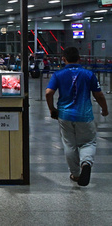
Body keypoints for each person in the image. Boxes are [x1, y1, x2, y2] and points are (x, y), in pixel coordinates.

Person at [45, 46, 108, 186]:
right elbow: (99, 94)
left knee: (69, 144)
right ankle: (86, 163)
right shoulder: (88, 74)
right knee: (88, 142)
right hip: (84, 115)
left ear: (63, 59)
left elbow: (49, 92)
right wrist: (105, 109)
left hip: (65, 115)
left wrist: (51, 109)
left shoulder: (58, 74)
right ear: (79, 59)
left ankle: (75, 174)